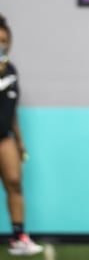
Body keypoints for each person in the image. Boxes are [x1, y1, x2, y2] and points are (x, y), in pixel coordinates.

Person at [0, 14, 43, 256]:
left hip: (5, 137)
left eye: (4, 40)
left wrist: (20, 141)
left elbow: (11, 109)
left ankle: (19, 237)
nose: (1, 44)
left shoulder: (11, 70)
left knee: (15, 183)